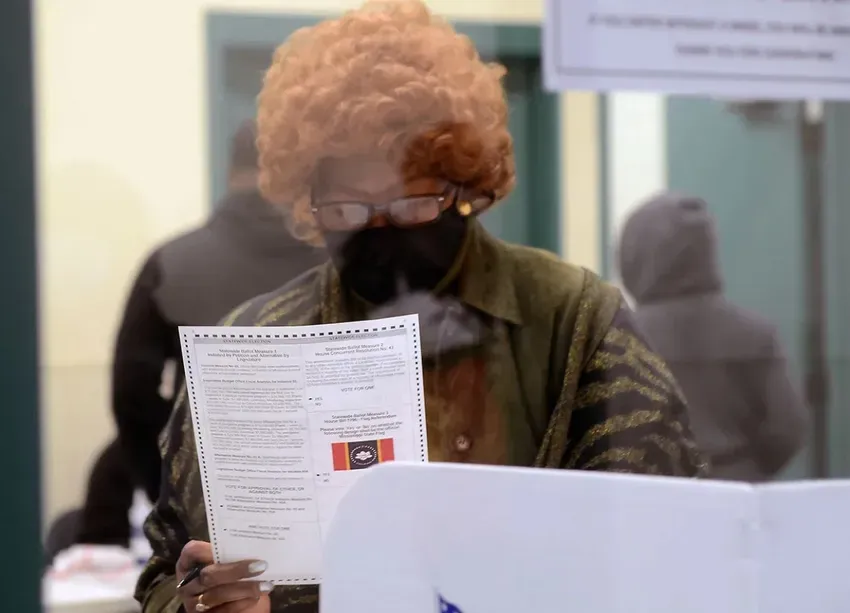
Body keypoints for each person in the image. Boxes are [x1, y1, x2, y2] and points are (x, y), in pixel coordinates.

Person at [136, 3, 707, 612]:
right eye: (348, 209)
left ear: (467, 189)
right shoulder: (257, 344)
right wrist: (202, 602)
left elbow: (671, 541)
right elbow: (166, 571)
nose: (381, 229)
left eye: (412, 204)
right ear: (310, 200)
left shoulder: (574, 319)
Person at [112, 121, 327, 504]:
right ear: (299, 175)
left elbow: (131, 394)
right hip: (324, 495)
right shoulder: (340, 266)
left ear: (230, 172)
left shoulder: (171, 264)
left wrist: (169, 491)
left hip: (209, 500)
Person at [618, 191, 810, 481]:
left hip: (654, 491)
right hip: (739, 491)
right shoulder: (755, 333)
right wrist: (746, 468)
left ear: (635, 255)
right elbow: (789, 428)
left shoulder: (620, 338)